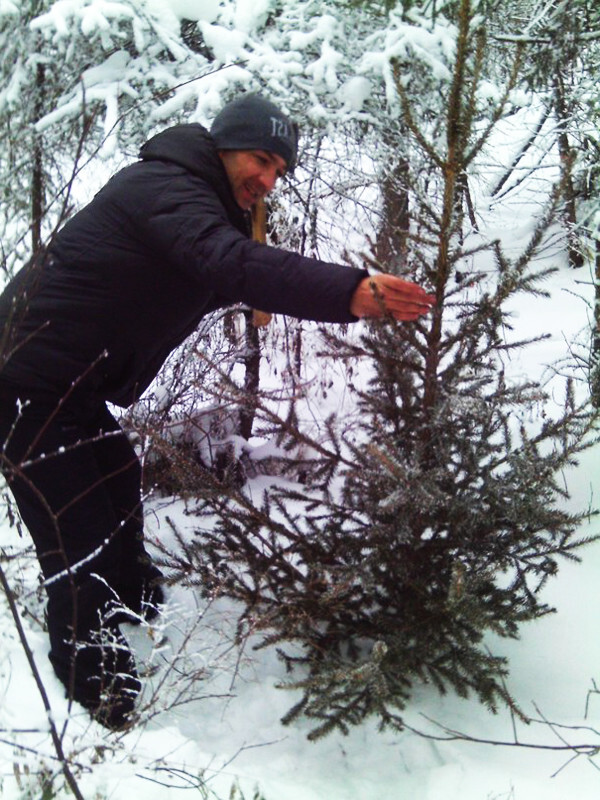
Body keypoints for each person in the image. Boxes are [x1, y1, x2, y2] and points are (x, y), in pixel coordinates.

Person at [0, 93, 435, 729]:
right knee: (76, 533)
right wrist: (348, 291)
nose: (269, 179)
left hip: (66, 386)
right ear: (225, 146)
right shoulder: (163, 187)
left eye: (280, 170)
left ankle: (133, 597)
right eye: (261, 159)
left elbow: (225, 270)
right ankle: (92, 682)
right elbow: (226, 263)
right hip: (21, 383)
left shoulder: (202, 207)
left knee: (117, 476)